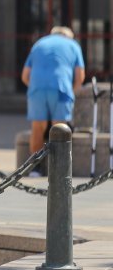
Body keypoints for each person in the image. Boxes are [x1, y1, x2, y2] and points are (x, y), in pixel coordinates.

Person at [21, 26, 85, 176]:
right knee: (60, 127)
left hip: (37, 88)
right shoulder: (73, 45)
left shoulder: (39, 44)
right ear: (68, 36)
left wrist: (36, 87)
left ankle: (35, 168)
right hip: (61, 88)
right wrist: (72, 92)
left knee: (38, 127)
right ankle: (59, 168)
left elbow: (25, 76)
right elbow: (80, 76)